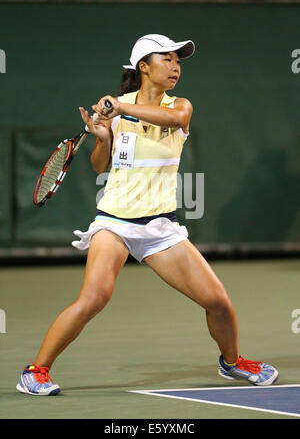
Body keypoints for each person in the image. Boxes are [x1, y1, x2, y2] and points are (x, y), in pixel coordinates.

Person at [16, 34, 278, 395]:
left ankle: (232, 363)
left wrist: (120, 110)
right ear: (144, 66)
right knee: (94, 298)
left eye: (178, 62)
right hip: (115, 223)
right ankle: (35, 371)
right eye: (167, 59)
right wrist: (102, 136)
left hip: (160, 227)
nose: (175, 67)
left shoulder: (179, 106)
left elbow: (173, 119)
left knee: (218, 302)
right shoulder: (116, 109)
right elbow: (98, 166)